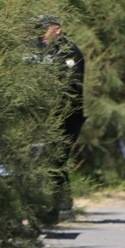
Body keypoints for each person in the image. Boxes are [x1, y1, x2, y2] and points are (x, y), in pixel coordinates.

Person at [30, 15, 86, 221]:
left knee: (57, 158)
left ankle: (63, 207)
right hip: (44, 118)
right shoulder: (42, 50)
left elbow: (70, 85)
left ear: (57, 30)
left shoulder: (69, 52)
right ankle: (50, 206)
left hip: (66, 117)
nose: (41, 36)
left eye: (44, 31)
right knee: (43, 160)